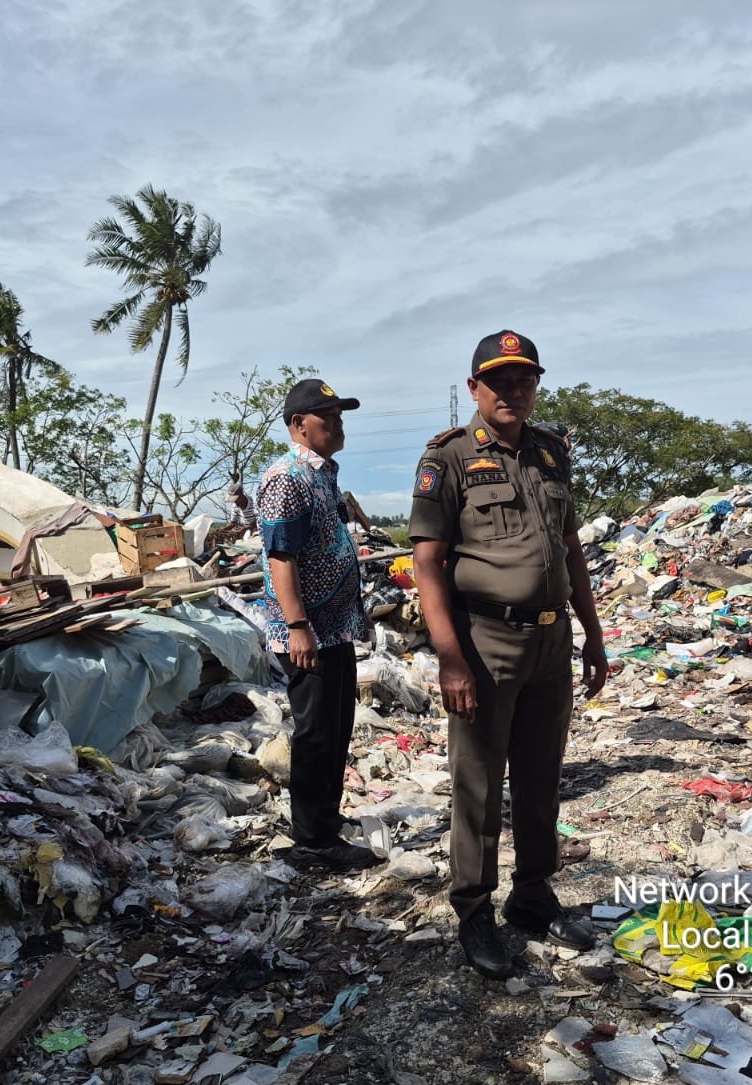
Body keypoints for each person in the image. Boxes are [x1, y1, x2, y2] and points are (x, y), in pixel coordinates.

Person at [408, 330, 608, 979]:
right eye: (499, 381)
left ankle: (532, 896)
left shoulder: (551, 454)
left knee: (542, 777)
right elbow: (428, 563)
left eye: (524, 379)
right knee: (478, 782)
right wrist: (449, 656)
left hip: (551, 641)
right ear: (475, 389)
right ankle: (474, 911)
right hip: (484, 642)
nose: (512, 391)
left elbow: (570, 547)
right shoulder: (450, 459)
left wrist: (592, 630)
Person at [258, 378, 375, 872]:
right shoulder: (288, 476)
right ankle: (312, 839)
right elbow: (281, 557)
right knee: (315, 733)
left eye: (340, 415)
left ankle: (325, 821)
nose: (337, 424)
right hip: (308, 632)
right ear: (298, 426)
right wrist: (298, 625)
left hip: (334, 627)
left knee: (337, 727)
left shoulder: (323, 475)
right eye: (327, 417)